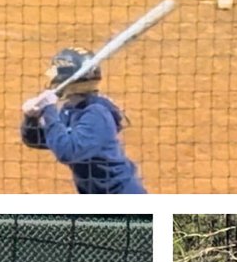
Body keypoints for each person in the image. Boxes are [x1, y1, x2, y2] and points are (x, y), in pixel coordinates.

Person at [20, 48, 145, 194]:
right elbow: (38, 139)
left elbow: (67, 151)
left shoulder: (97, 114)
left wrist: (49, 110)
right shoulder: (71, 109)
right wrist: (31, 119)